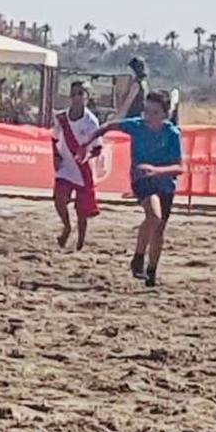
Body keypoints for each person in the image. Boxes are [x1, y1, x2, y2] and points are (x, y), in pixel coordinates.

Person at [84, 90, 185, 287]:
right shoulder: (136, 126)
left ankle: (151, 271)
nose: (148, 116)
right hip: (142, 179)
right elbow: (108, 126)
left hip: (164, 182)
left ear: (165, 114)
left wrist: (157, 170)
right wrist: (88, 142)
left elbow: (179, 167)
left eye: (154, 112)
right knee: (153, 216)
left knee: (159, 229)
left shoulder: (172, 133)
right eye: (146, 111)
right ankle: (138, 258)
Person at [51, 81, 103, 251]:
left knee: (82, 211)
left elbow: (97, 147)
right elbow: (54, 138)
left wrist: (86, 156)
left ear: (87, 97)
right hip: (66, 166)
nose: (76, 98)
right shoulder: (61, 118)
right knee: (59, 199)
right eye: (73, 94)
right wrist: (56, 157)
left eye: (80, 93)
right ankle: (66, 226)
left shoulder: (91, 121)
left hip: (83, 169)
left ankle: (80, 243)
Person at [114, 57, 149, 121]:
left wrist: (119, 117)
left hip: (131, 117)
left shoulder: (135, 85)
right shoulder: (144, 84)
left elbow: (128, 103)